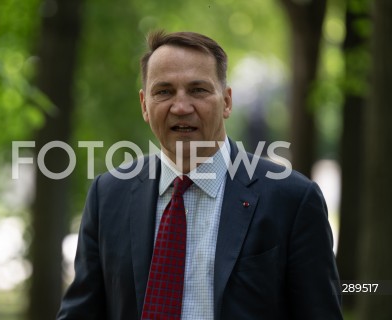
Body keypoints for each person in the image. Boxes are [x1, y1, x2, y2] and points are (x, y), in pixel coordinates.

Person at [57, 30, 342, 319]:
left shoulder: (292, 199)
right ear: (145, 105)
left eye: (198, 90)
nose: (181, 107)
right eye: (164, 91)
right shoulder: (108, 194)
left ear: (227, 101)